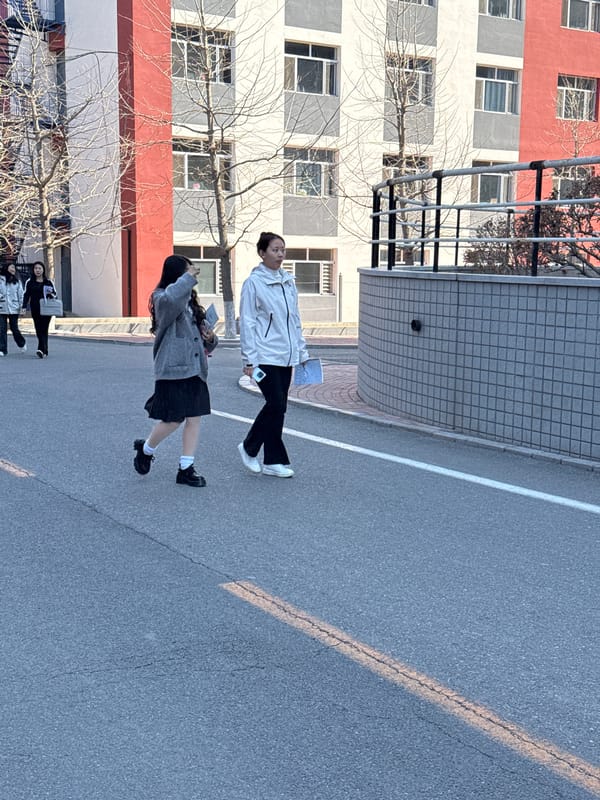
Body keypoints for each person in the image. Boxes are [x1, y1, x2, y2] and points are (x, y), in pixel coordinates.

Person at [133, 254, 218, 487]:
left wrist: (210, 338)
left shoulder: (190, 303)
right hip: (172, 369)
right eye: (189, 271)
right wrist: (188, 279)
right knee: (172, 420)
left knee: (194, 418)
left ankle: (186, 467)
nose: (193, 276)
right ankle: (146, 449)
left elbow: (203, 339)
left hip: (195, 369)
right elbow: (171, 301)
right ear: (177, 275)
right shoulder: (162, 298)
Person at [238, 232, 309, 478]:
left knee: (280, 407)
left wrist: (301, 351)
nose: (280, 254)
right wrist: (249, 359)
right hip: (264, 356)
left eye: (282, 250)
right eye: (275, 250)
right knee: (275, 403)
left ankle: (272, 461)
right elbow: (247, 322)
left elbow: (295, 320)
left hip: (286, 356)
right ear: (262, 253)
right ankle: (249, 446)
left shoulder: (288, 281)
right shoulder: (253, 284)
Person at [22, 261, 57, 359]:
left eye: (39, 268)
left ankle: (41, 349)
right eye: (36, 268)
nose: (37, 270)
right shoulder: (29, 282)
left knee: (44, 328)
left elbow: (55, 294)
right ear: (33, 270)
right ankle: (44, 349)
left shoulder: (48, 282)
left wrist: (51, 294)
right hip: (35, 308)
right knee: (38, 329)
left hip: (46, 309)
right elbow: (26, 295)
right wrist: (24, 307)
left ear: (43, 270)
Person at [0, 263, 27, 356]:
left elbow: (21, 295)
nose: (13, 269)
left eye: (14, 268)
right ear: (6, 268)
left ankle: (21, 343)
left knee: (14, 328)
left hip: (14, 307)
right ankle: (2, 349)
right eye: (11, 267)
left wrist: (22, 307)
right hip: (1, 307)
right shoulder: (0, 279)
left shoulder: (17, 281)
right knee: (2, 329)